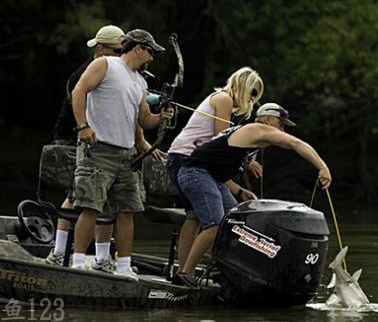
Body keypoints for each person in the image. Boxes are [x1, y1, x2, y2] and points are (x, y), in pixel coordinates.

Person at [174, 102, 332, 287]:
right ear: (266, 119)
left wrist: (240, 191)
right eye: (280, 124)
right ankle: (185, 273)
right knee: (215, 225)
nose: (282, 130)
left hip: (208, 176)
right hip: (194, 173)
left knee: (235, 222)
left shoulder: (249, 138)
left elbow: (214, 164)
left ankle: (221, 269)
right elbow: (295, 143)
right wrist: (322, 167)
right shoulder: (257, 129)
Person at [71, 29, 172, 276]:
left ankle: (124, 267)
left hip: (127, 155)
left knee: (128, 210)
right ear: (137, 48)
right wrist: (83, 126)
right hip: (98, 150)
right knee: (90, 207)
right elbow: (78, 91)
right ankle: (78, 261)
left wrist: (162, 118)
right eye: (150, 52)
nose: (152, 58)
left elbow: (144, 120)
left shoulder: (141, 82)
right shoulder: (105, 64)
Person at [166, 67, 263, 274]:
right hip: (184, 159)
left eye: (256, 96)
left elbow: (217, 159)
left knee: (195, 217)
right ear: (243, 85)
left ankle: (195, 269)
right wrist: (247, 160)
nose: (253, 99)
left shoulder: (228, 106)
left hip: (195, 162)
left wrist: (238, 186)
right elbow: (224, 142)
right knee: (203, 218)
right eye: (252, 93)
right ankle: (186, 271)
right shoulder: (223, 99)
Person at [46, 25, 125, 270]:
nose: (122, 55)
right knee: (75, 195)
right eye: (118, 50)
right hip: (77, 142)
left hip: (104, 146)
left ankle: (102, 258)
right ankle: (58, 252)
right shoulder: (86, 73)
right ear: (101, 49)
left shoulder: (118, 72)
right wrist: (80, 131)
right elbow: (79, 109)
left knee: (105, 200)